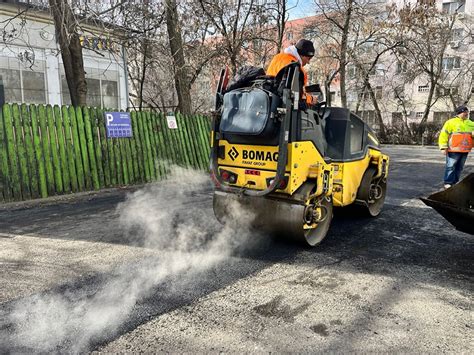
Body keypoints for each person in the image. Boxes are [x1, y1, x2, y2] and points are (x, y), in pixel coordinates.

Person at [266, 39, 317, 106]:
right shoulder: (296, 67)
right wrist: (311, 99)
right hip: (283, 107)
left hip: (268, 102)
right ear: (302, 55)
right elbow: (298, 96)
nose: (308, 62)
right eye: (308, 59)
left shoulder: (277, 57)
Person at [438, 105, 474, 189]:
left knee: (459, 167)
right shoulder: (450, 122)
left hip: (465, 150)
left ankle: (455, 182)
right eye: (464, 112)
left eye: (467, 112)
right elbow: (444, 134)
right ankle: (448, 182)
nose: (466, 114)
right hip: (453, 149)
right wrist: (443, 147)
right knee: (451, 167)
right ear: (459, 113)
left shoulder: (471, 123)